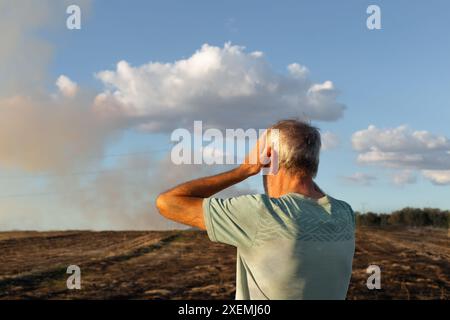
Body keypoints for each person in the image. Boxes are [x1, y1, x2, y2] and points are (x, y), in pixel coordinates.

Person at [156, 119, 355, 300]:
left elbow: (168, 202)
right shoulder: (344, 213)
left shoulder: (263, 213)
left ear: (270, 158)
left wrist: (243, 170)